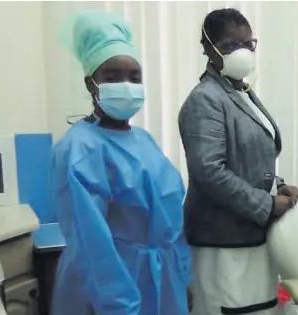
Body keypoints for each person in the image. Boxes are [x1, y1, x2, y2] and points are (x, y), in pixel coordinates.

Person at [49, 10, 192, 315]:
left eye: (134, 77)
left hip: (161, 283)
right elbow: (91, 246)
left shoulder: (143, 141)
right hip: (110, 291)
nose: (126, 85)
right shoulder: (79, 149)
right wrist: (119, 306)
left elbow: (170, 217)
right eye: (112, 77)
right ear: (92, 84)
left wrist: (182, 275)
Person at [178, 8, 298, 315]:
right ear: (208, 48)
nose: (242, 52)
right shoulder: (205, 99)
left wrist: (279, 187)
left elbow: (253, 159)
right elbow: (210, 172)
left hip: (252, 236)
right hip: (223, 244)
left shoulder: (241, 92)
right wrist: (267, 205)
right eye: (231, 46)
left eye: (248, 44)